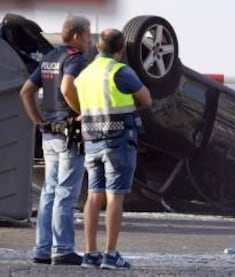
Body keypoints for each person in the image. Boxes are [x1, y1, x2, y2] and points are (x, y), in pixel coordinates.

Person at [63, 28, 152, 270]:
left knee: (93, 196)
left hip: (92, 140)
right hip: (119, 140)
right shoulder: (120, 71)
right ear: (120, 50)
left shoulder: (85, 73)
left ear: (98, 47)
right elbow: (146, 99)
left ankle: (90, 254)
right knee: (115, 197)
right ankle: (110, 255)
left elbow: (68, 91)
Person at [19, 15, 91, 264]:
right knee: (66, 192)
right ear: (76, 36)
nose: (89, 41)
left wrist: (39, 121)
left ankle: (42, 249)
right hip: (69, 134)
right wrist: (82, 111)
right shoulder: (75, 58)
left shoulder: (49, 58)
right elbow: (67, 87)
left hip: (49, 132)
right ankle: (62, 249)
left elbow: (26, 91)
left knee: (49, 191)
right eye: (87, 35)